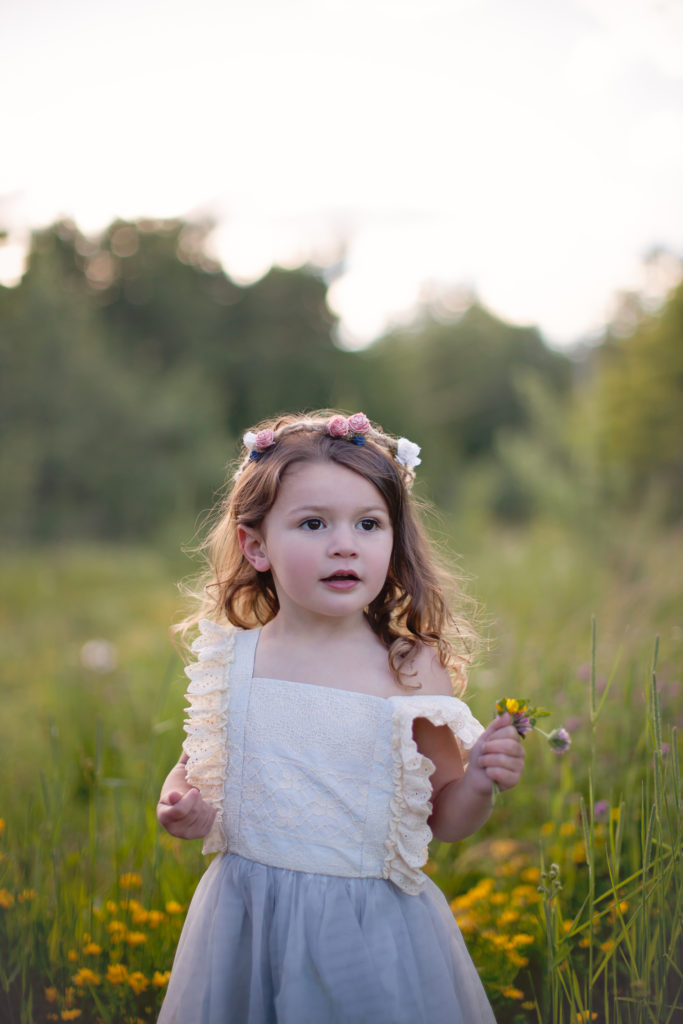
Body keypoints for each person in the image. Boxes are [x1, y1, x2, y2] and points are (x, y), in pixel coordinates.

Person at [156, 410, 525, 1024]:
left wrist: (480, 778)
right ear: (256, 545)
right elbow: (190, 773)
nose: (344, 543)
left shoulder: (410, 669)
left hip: (369, 929)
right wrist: (181, 805)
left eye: (368, 523)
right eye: (312, 523)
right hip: (247, 920)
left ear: (393, 540)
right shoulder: (233, 660)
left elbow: (448, 818)